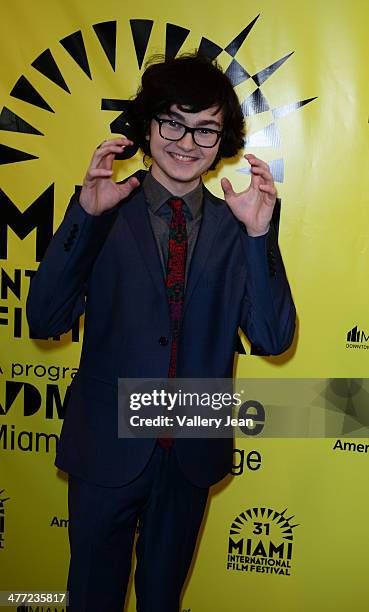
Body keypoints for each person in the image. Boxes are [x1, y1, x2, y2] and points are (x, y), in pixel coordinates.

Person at [27, 52, 296, 612]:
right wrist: (84, 215)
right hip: (106, 448)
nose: (186, 141)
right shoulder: (103, 207)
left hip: (190, 452)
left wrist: (259, 235)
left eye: (205, 129)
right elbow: (45, 319)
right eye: (173, 121)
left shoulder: (236, 224)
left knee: (161, 601)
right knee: (90, 600)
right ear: (148, 126)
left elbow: (271, 338)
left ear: (222, 142)